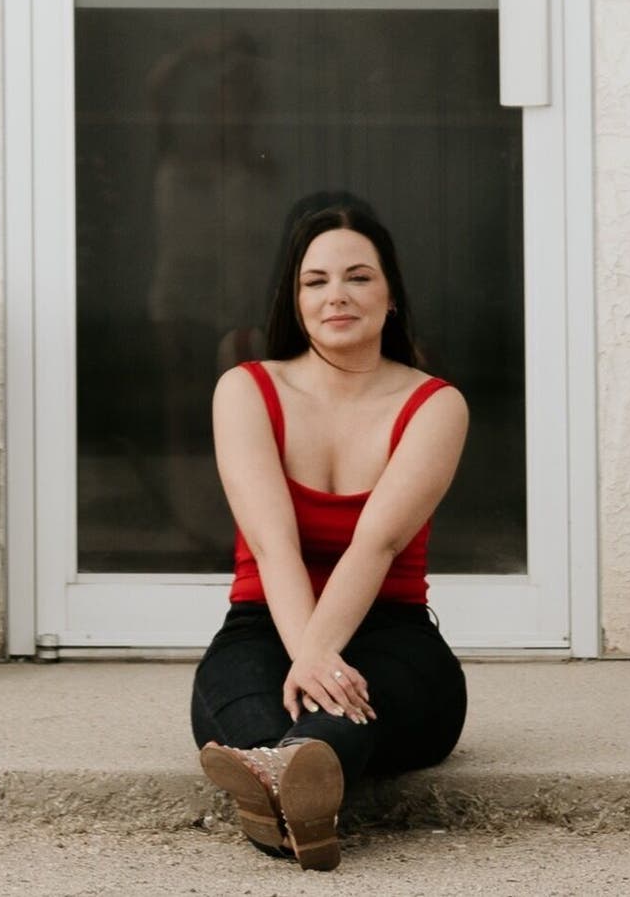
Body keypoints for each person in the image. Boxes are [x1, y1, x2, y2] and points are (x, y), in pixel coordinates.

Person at [190, 197, 470, 870]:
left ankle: (277, 784)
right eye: (315, 281)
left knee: (346, 707)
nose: (336, 295)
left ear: (391, 293)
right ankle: (298, 784)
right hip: (263, 623)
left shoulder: (435, 403)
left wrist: (316, 658)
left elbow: (375, 544)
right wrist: (310, 657)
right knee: (257, 706)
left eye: (358, 276)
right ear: (293, 298)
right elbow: (272, 543)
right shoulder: (246, 388)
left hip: (392, 629)